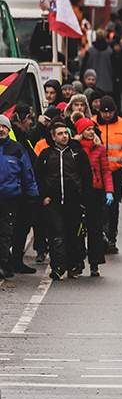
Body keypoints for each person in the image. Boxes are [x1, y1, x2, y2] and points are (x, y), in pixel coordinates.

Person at [35, 122, 92, 280]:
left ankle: (75, 265)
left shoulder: (77, 153)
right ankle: (58, 267)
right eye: (59, 134)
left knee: (74, 235)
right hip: (53, 202)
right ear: (53, 136)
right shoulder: (46, 155)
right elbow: (38, 176)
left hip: (73, 202)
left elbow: (87, 177)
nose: (64, 136)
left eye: (65, 133)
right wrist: (44, 196)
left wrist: (84, 200)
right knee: (56, 235)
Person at [93, 96, 122, 254]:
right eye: (104, 112)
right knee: (97, 208)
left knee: (113, 208)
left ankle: (111, 238)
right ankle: (98, 238)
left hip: (114, 173)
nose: (106, 115)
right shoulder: (92, 123)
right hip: (96, 174)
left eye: (109, 112)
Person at [0, 114, 39, 277]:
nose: (1, 129)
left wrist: (33, 194)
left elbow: (27, 173)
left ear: (8, 129)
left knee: (5, 233)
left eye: (4, 127)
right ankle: (6, 265)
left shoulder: (17, 149)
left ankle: (3, 265)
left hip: (10, 198)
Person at [74, 118, 113, 276]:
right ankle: (77, 261)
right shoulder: (75, 148)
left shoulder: (100, 149)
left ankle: (95, 263)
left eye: (92, 129)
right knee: (78, 229)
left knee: (95, 229)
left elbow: (106, 171)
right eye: (87, 129)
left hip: (95, 191)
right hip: (79, 192)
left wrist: (109, 190)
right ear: (81, 131)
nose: (91, 132)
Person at [10, 106, 44, 274]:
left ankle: (15, 260)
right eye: (29, 119)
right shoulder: (15, 137)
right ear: (21, 120)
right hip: (17, 192)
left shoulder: (23, 137)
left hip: (24, 191)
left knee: (21, 228)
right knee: (17, 228)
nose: (31, 122)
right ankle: (12, 261)